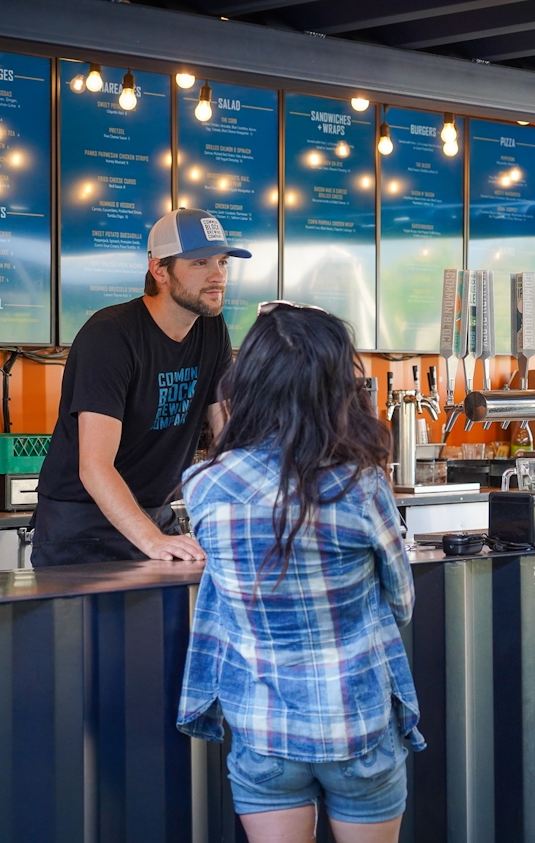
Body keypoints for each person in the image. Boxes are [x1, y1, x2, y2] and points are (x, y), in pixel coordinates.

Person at [177, 302, 423, 843]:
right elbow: (402, 601)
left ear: (249, 382)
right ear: (337, 385)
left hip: (264, 729)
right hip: (355, 725)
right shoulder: (360, 485)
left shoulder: (204, 486)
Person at [30, 208, 250, 566]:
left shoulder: (212, 329)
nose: (218, 276)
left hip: (155, 516)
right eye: (200, 263)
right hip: (81, 527)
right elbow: (94, 465)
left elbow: (230, 437)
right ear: (159, 270)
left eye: (223, 262)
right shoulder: (111, 336)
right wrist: (153, 540)